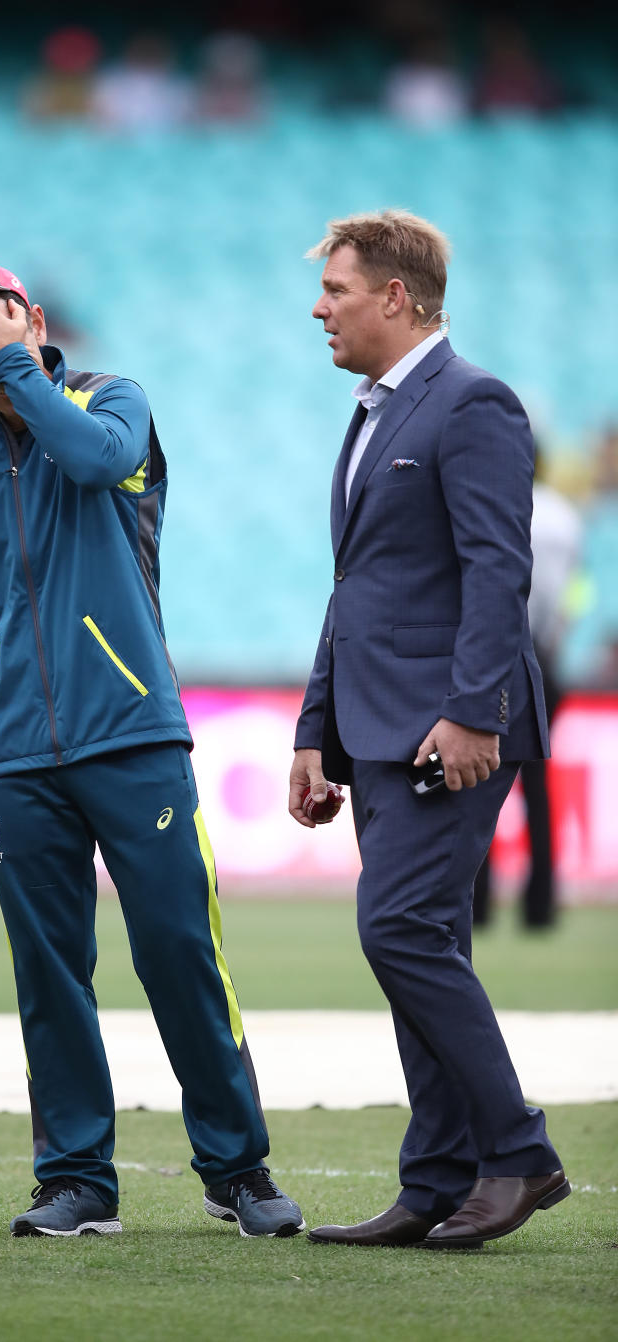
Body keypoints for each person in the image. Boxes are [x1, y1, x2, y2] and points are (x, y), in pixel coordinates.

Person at [0, 254, 304, 1240]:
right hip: (12, 751)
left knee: (180, 952)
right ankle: (77, 1179)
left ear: (32, 315)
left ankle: (238, 1168)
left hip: (133, 731)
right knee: (49, 970)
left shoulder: (111, 399)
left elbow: (93, 460)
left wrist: (18, 370)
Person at [290, 210, 569, 1250]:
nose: (320, 308)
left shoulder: (475, 403)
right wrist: (314, 727)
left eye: (338, 290)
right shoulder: (371, 412)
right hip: (373, 724)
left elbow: (502, 569)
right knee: (425, 938)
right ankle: (438, 1177)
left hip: (447, 725)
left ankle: (520, 1153)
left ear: (396, 298)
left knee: (398, 930)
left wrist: (470, 711)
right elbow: (357, 585)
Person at [473, 450, 584, 928]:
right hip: (546, 655)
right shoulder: (565, 516)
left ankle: (477, 903)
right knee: (536, 784)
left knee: (478, 777)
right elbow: (574, 592)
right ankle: (540, 905)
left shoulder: (498, 502)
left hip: (502, 651)